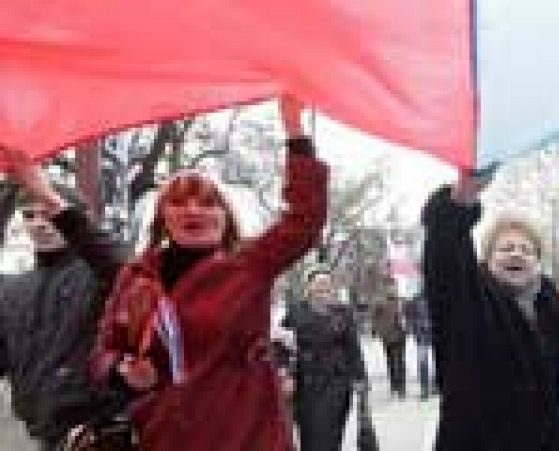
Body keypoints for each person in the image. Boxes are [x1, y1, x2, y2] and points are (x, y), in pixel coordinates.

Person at [90, 95, 329, 451]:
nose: (193, 210)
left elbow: (304, 220)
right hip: (165, 436)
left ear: (225, 217)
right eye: (179, 202)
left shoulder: (249, 264)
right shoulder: (137, 276)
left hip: (245, 435)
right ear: (163, 219)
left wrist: (294, 131)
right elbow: (102, 354)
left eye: (207, 202)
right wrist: (121, 372)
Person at [421, 172, 559, 451]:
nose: (516, 254)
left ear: (537, 261)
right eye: (506, 248)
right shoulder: (468, 302)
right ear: (487, 260)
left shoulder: (552, 309)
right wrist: (460, 200)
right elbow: (445, 255)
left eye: (526, 249)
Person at [0, 145, 127, 450]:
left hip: (100, 432)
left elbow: (123, 269)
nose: (40, 223)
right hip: (40, 432)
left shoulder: (102, 273)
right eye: (30, 216)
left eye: (48, 214)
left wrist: (50, 198)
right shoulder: (11, 288)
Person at [282, 264, 367, 451]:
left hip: (337, 382)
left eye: (327, 283)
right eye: (318, 283)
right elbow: (283, 347)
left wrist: (360, 378)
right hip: (307, 383)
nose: (323, 287)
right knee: (310, 432)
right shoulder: (295, 312)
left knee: (332, 431)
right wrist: (286, 374)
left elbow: (353, 347)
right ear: (309, 286)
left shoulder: (343, 312)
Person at [372, 286, 408, 398]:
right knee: (393, 361)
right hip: (389, 337)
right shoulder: (381, 302)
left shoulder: (400, 302)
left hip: (399, 335)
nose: (393, 290)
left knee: (398, 361)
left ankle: (400, 387)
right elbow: (374, 317)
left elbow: (405, 317)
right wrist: (379, 330)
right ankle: (396, 386)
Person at [405, 294, 437, 399]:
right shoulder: (414, 300)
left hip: (432, 333)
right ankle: (425, 388)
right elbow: (409, 317)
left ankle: (434, 385)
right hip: (421, 335)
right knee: (423, 361)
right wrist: (413, 329)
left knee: (434, 361)